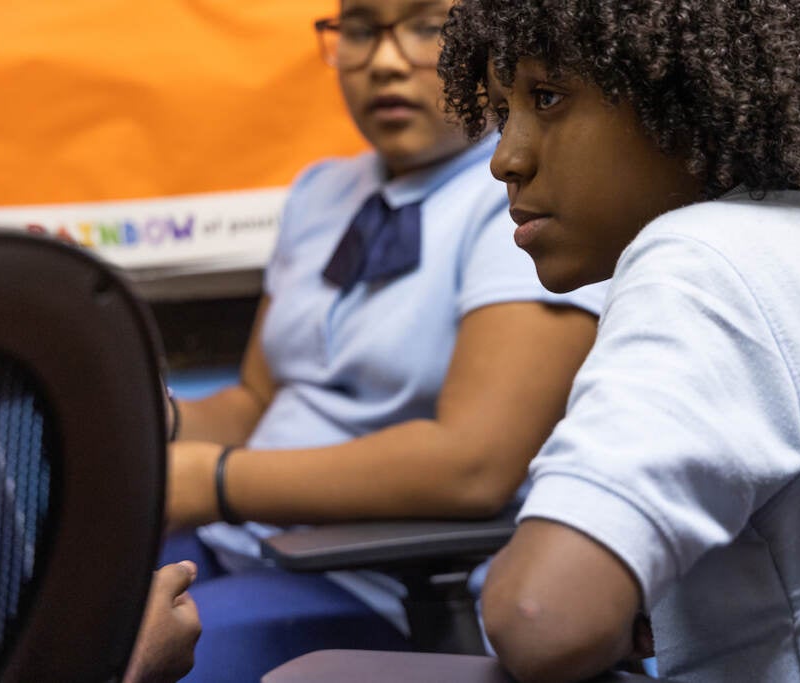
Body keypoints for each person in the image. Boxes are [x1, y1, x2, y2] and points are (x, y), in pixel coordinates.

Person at [436, 0, 800, 681]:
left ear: (684, 93)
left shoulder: (700, 264)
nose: (506, 159)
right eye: (501, 114)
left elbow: (539, 619)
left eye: (547, 98)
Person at [160, 0, 605, 678]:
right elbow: (256, 403)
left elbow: (473, 465)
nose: (386, 62)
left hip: (375, 582)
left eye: (429, 27)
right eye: (363, 30)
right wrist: (146, 419)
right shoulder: (321, 192)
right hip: (240, 538)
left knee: (124, 646)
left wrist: (214, 481)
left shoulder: (523, 199)